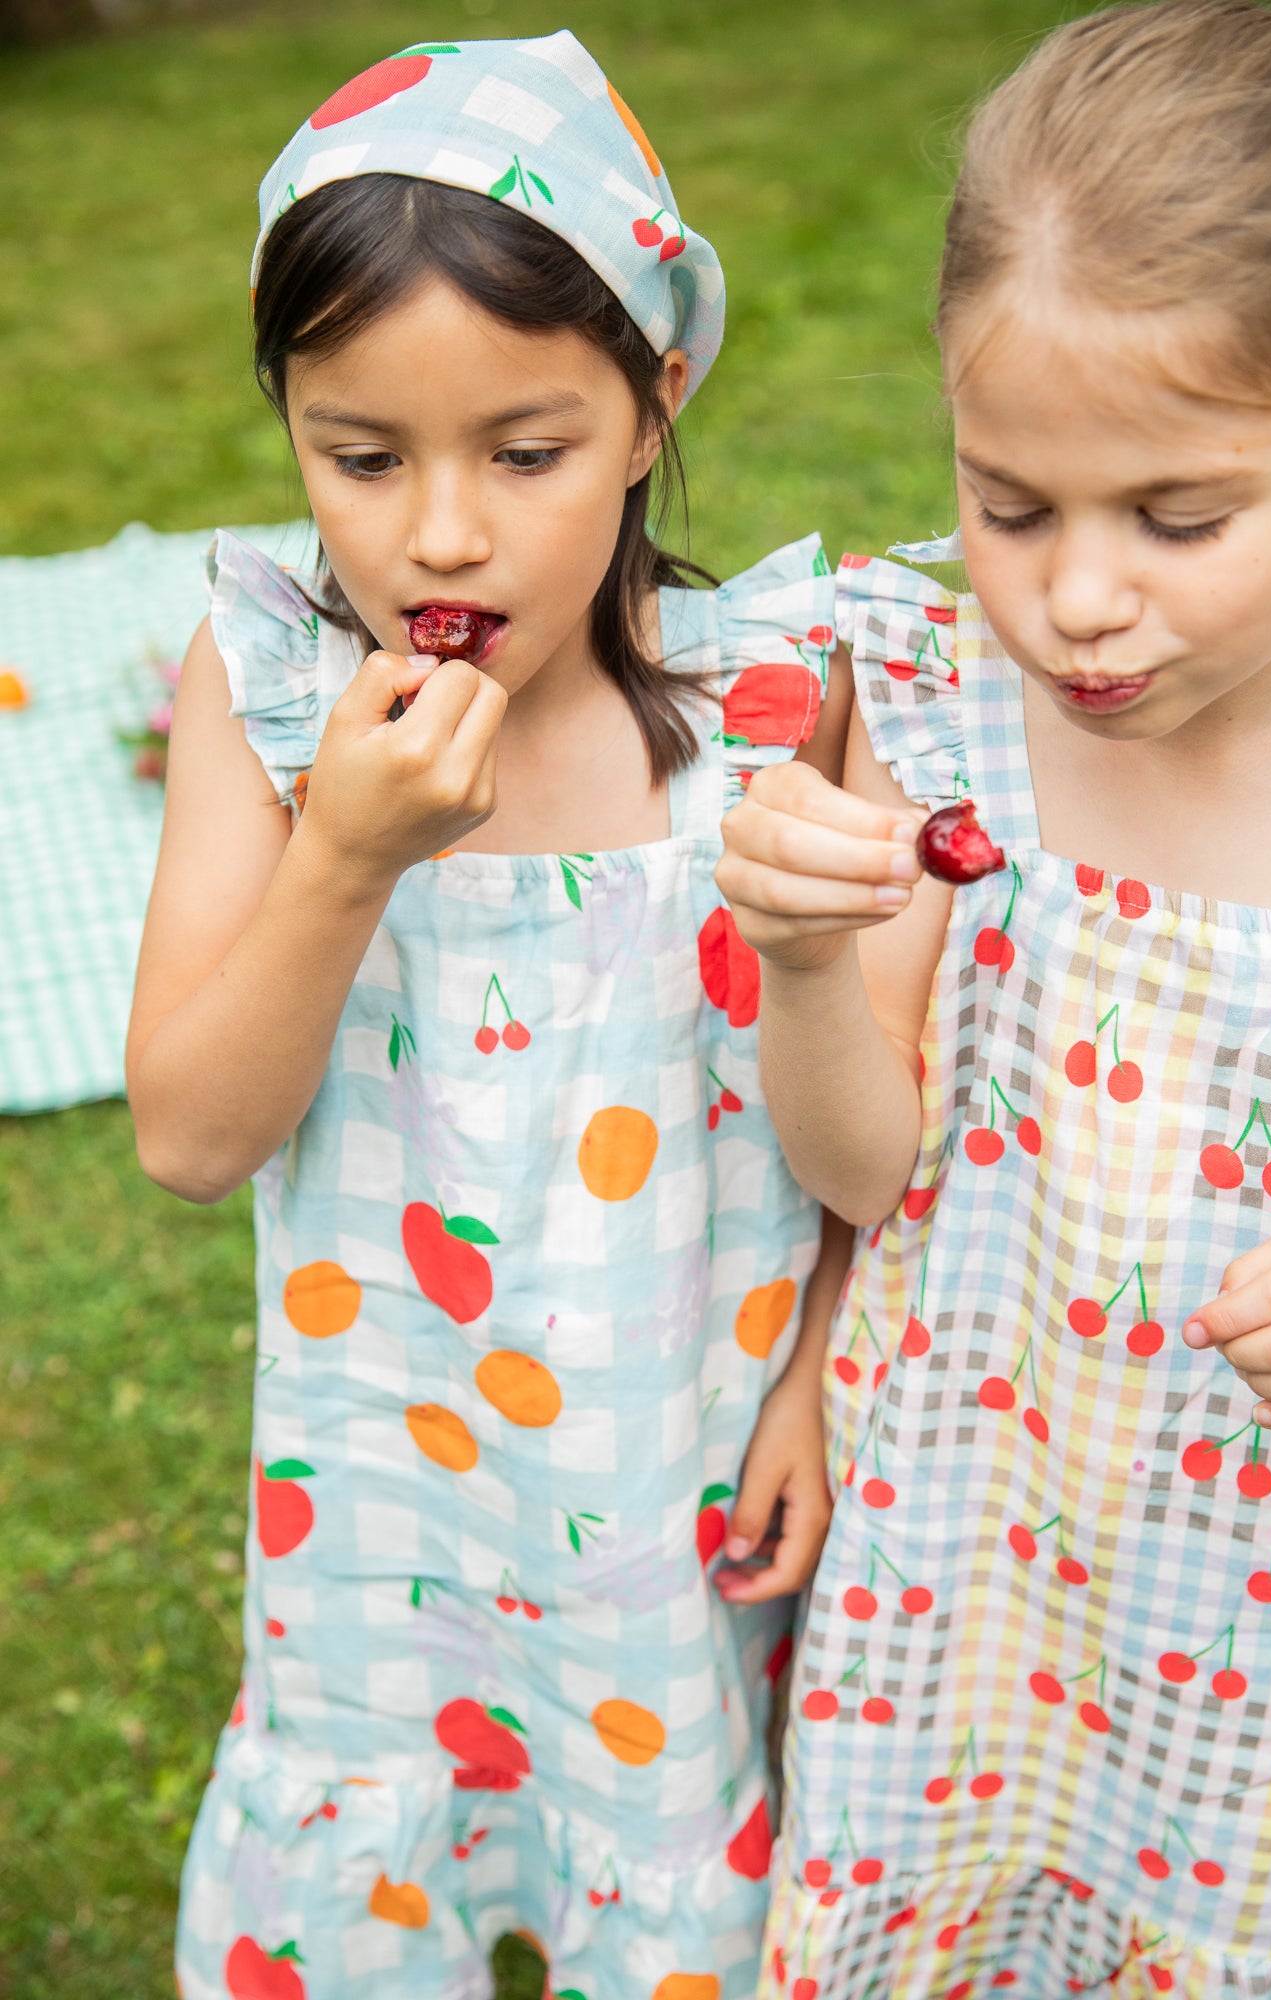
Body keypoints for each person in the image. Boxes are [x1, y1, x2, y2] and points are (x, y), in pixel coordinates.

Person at [125, 33, 852, 1999]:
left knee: (665, 1846)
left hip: (679, 1482)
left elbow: (866, 1121)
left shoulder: (768, 706)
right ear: (285, 420)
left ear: (650, 399)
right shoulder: (268, 697)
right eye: (357, 457)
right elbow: (191, 1134)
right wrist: (340, 858)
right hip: (389, 1497)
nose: (435, 535)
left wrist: (818, 1377)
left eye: (520, 452)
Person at [716, 3, 1271, 1991]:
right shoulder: (925, 693)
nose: (1073, 596)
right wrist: (805, 957)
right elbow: (868, 1160)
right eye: (1011, 504)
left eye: (1176, 518)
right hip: (977, 1553)